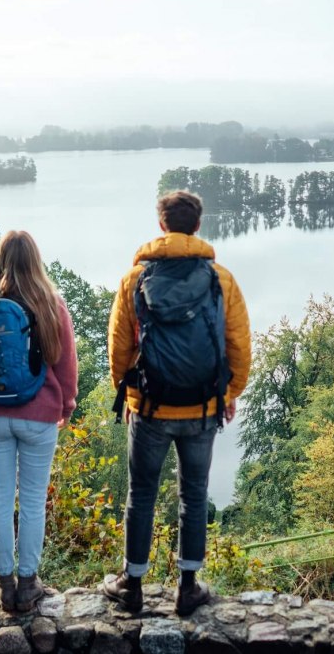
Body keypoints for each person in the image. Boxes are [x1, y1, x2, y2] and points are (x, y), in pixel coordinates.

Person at [101, 190, 251, 616]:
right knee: (195, 494)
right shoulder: (221, 279)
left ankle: (132, 585)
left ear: (162, 226)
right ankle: (188, 587)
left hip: (149, 409)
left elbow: (119, 346)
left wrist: (129, 393)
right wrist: (228, 394)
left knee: (142, 494)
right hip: (203, 408)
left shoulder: (135, 280)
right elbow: (239, 343)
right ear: (197, 226)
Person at [0, 230, 78, 613]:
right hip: (39, 415)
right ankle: (28, 586)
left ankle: (5, 585)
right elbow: (65, 361)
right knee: (32, 502)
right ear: (35, 260)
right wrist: (67, 404)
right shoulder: (49, 302)